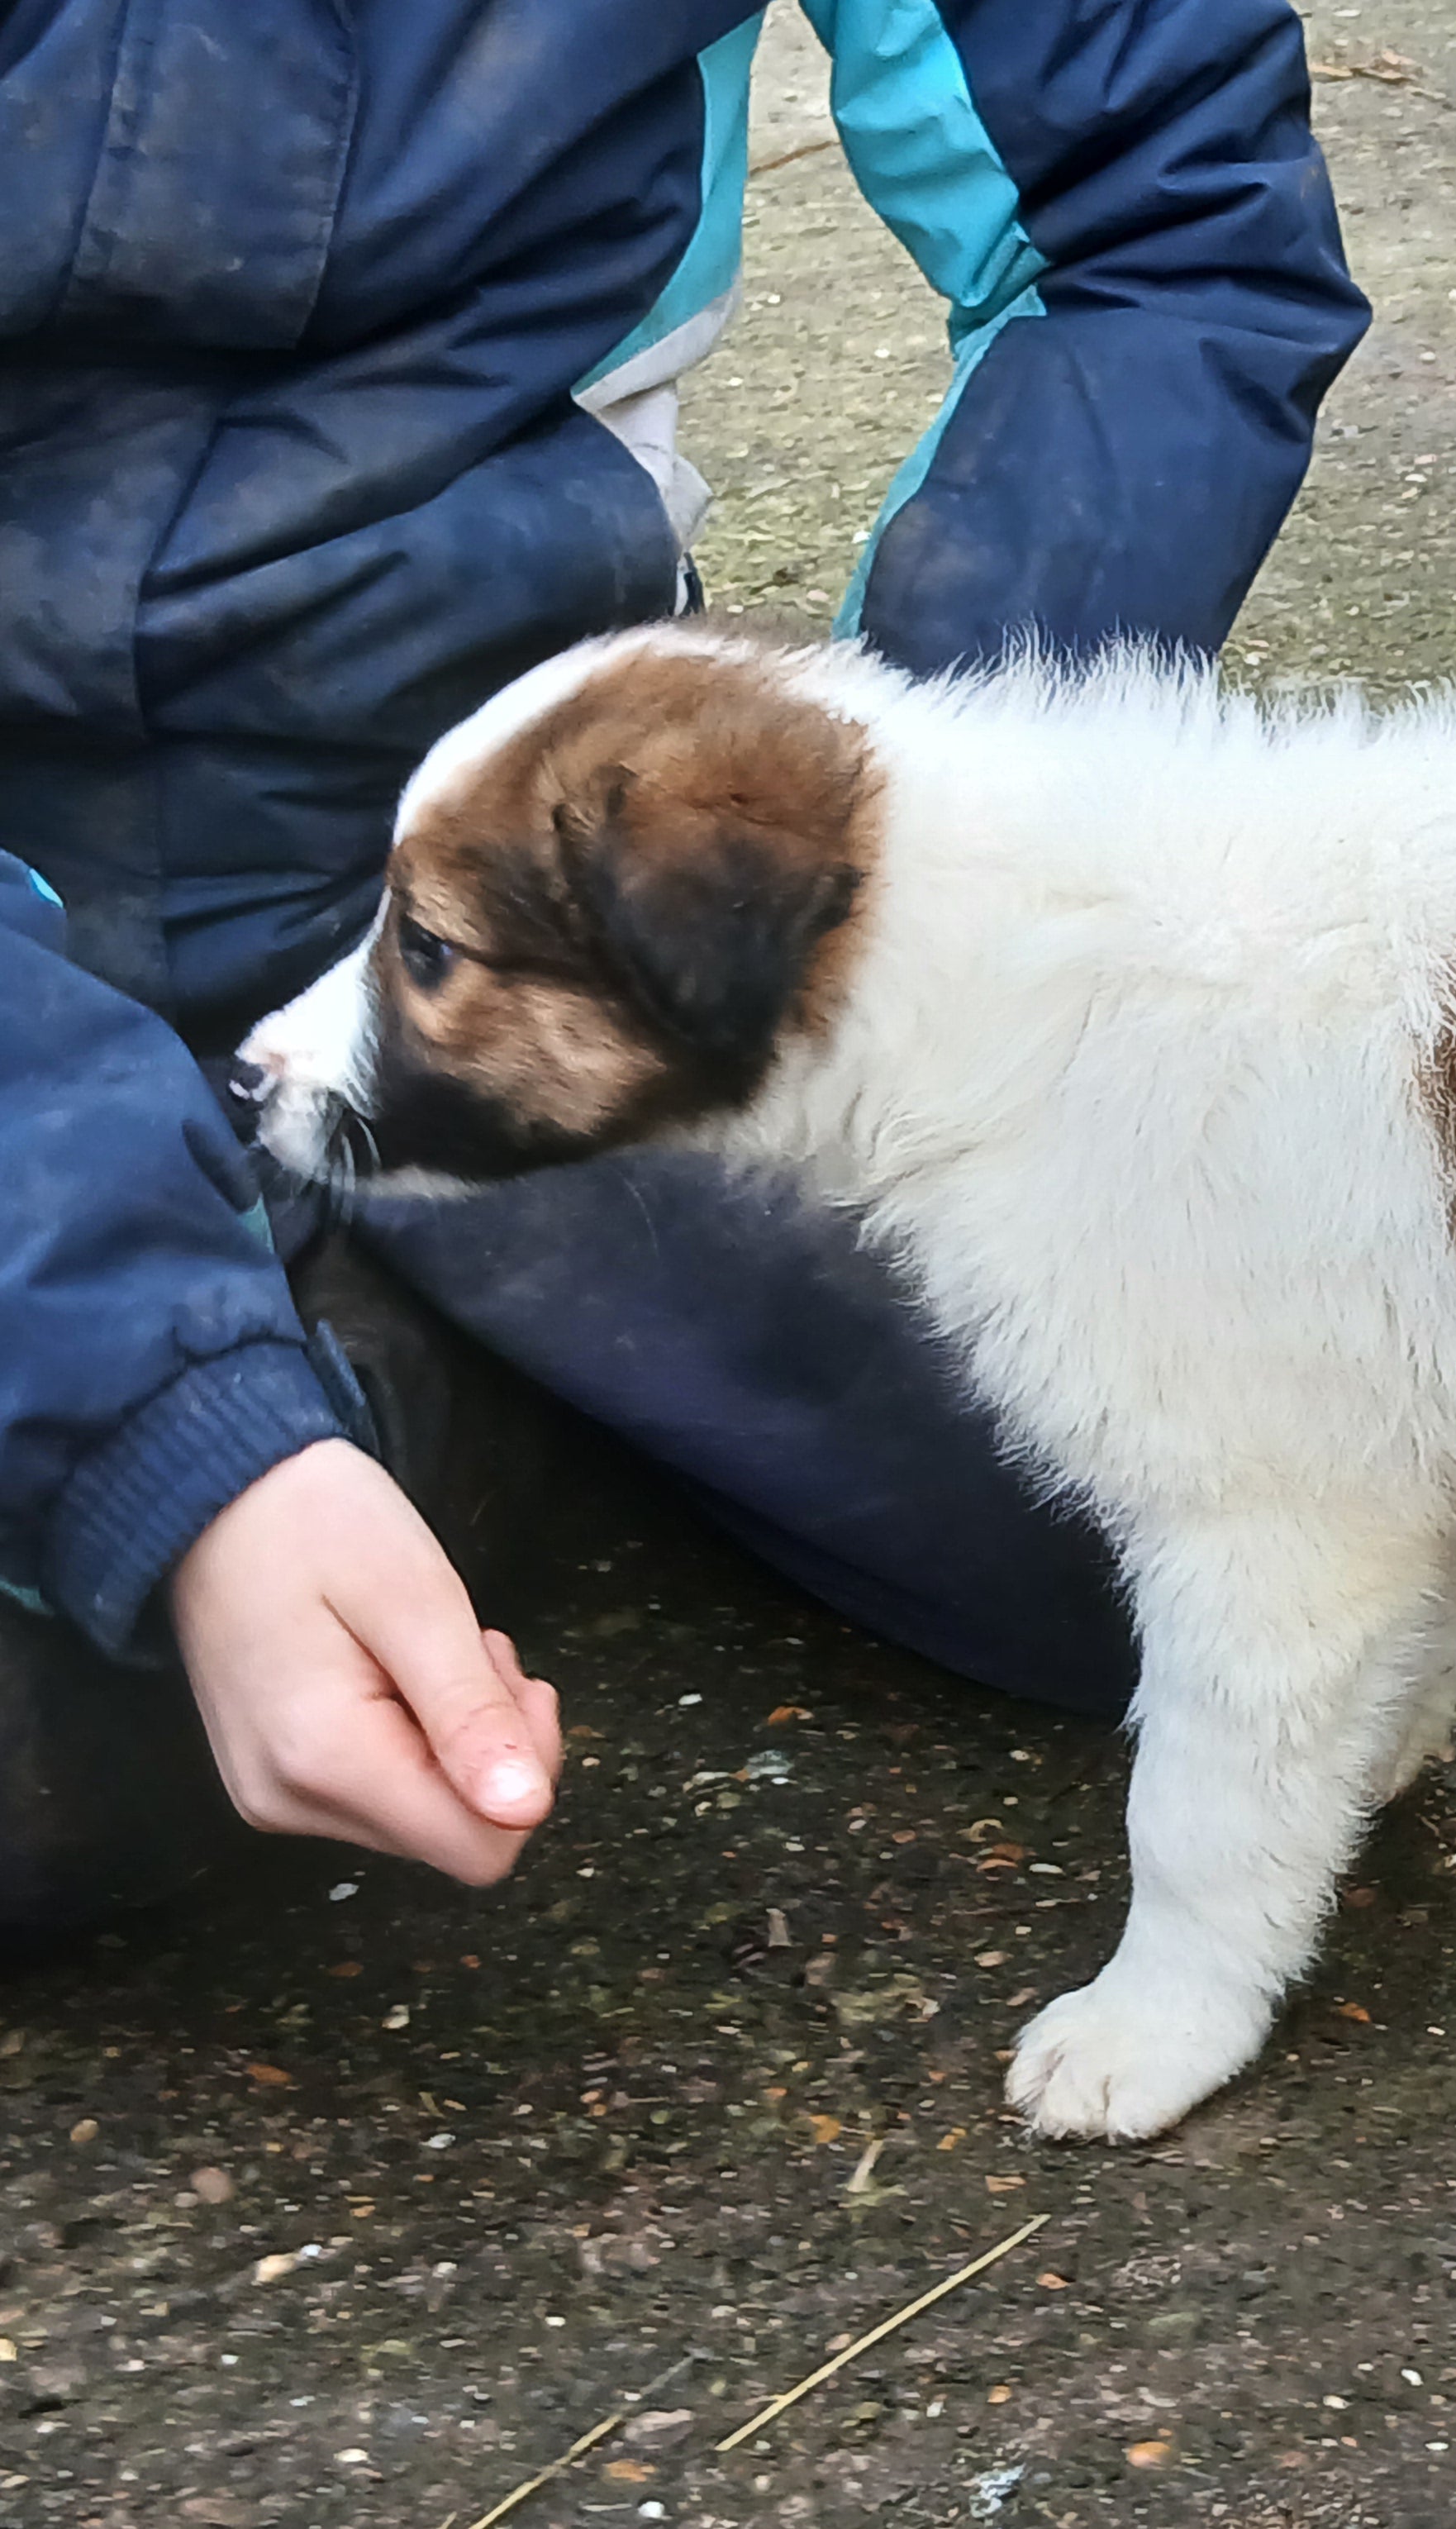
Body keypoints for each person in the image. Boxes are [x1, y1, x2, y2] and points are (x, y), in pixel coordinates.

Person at [0, 0, 1370, 1924]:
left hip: (472, 844)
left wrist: (892, 847)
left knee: (1195, 1518)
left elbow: (1161, 205)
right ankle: (330, 1383)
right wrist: (172, 1442)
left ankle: (409, 1360)